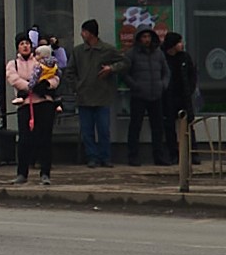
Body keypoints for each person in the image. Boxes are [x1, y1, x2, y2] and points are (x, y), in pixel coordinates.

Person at [68, 18, 121, 169]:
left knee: (104, 129)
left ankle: (105, 157)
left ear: (90, 33)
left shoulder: (107, 49)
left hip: (103, 96)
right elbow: (70, 72)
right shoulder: (78, 51)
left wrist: (111, 68)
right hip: (84, 96)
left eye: (84, 31)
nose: (81, 34)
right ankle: (92, 157)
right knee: (87, 131)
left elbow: (124, 62)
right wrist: (77, 86)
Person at [12, 28, 62, 185]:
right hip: (26, 104)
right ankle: (22, 173)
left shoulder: (40, 60)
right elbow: (13, 79)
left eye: (27, 43)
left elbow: (54, 75)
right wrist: (30, 87)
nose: (25, 46)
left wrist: (47, 84)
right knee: (25, 139)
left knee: (45, 138)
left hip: (44, 102)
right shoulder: (13, 64)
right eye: (22, 44)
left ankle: (45, 173)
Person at [126, 22, 178, 167]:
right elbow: (125, 74)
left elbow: (166, 71)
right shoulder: (131, 54)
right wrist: (135, 86)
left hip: (156, 94)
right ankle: (133, 156)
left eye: (148, 36)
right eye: (144, 36)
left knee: (158, 127)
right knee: (135, 126)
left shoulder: (158, 53)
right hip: (139, 95)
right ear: (139, 38)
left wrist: (163, 85)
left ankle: (159, 156)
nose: (146, 39)